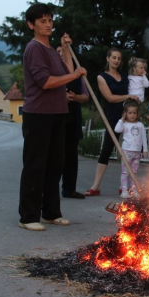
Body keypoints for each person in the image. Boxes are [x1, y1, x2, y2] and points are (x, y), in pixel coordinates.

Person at [18, 3, 87, 231]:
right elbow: (46, 81)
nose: (48, 24)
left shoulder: (49, 49)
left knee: (55, 164)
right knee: (35, 164)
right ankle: (28, 216)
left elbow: (66, 72)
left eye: (50, 20)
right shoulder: (34, 48)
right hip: (38, 114)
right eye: (42, 21)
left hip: (58, 112)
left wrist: (66, 49)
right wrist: (75, 75)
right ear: (31, 25)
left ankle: (50, 213)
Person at [85, 48, 141, 196]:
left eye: (118, 58)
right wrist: (128, 95)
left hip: (130, 116)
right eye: (114, 57)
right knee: (107, 149)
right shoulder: (102, 77)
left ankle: (125, 187)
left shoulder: (124, 76)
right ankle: (96, 186)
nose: (116, 60)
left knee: (131, 150)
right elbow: (110, 98)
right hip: (114, 117)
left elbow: (137, 84)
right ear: (108, 59)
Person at [56, 44, 90, 199]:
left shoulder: (78, 74)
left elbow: (85, 96)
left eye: (64, 52)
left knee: (71, 155)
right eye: (59, 52)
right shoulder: (53, 72)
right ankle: (50, 189)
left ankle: (69, 188)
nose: (62, 54)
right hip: (57, 118)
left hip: (73, 117)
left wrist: (74, 97)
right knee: (56, 155)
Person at [114, 100, 148, 199]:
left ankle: (134, 190)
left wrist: (144, 150)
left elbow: (144, 138)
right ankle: (124, 190)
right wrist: (122, 119)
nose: (132, 115)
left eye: (134, 113)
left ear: (137, 114)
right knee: (125, 172)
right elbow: (116, 130)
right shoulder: (124, 124)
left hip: (137, 152)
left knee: (134, 172)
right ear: (125, 113)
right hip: (126, 151)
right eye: (130, 113)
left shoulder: (140, 125)